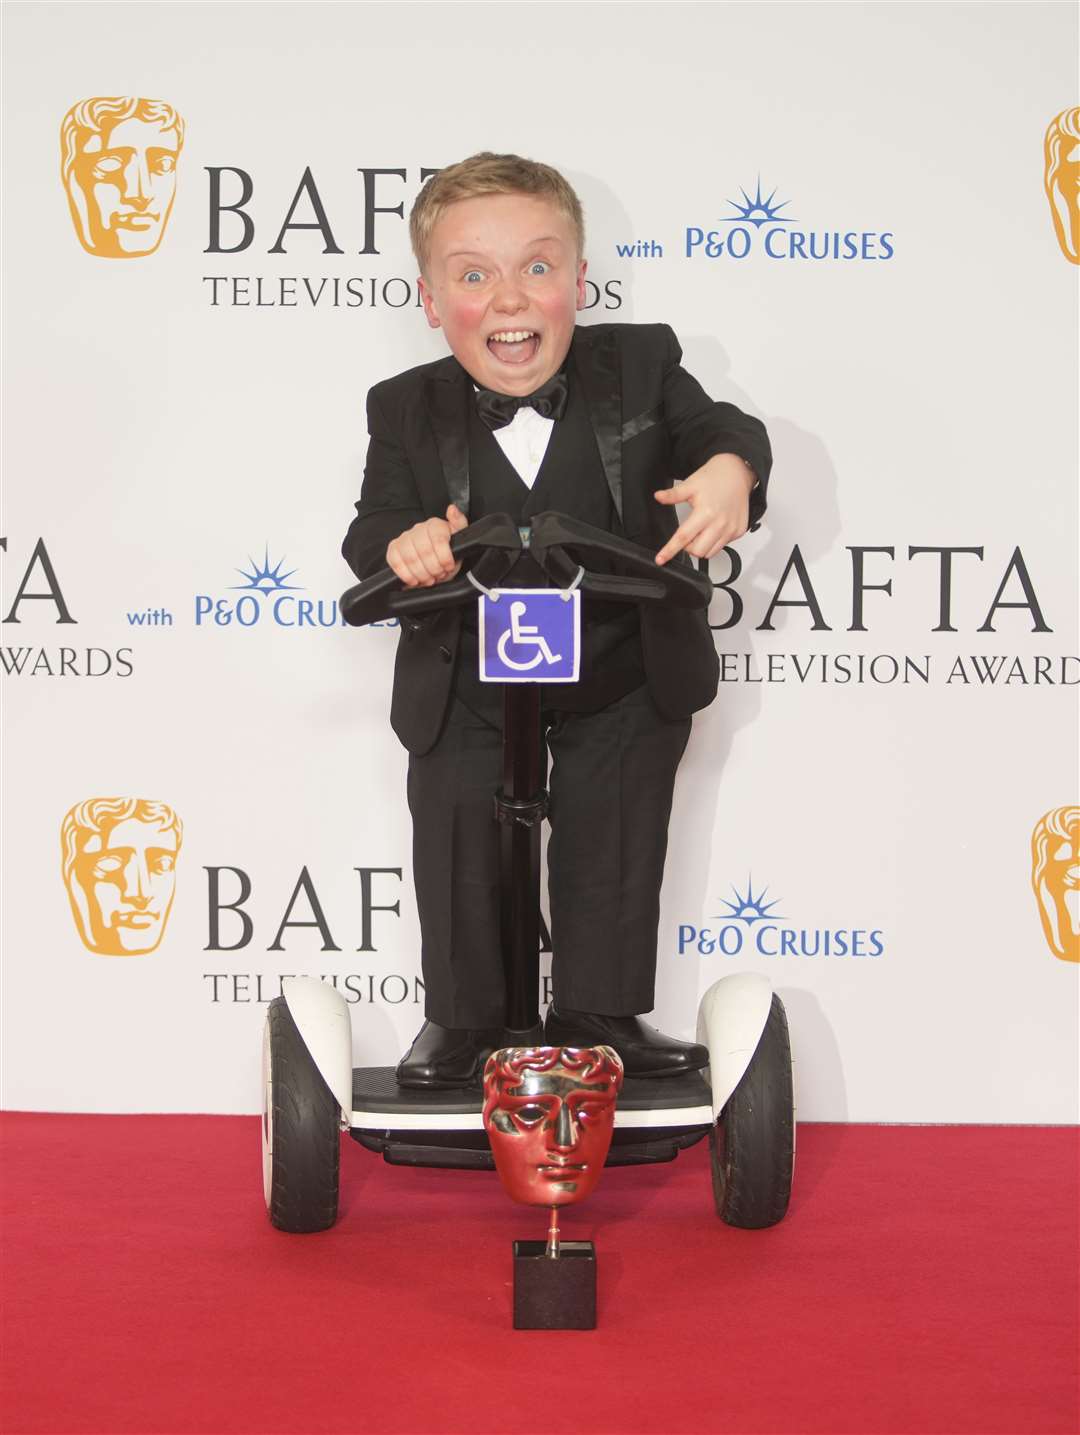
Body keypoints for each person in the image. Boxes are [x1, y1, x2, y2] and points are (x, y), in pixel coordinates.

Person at [342, 152, 771, 1087]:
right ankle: (465, 1021)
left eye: (537, 267)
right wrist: (404, 544)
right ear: (428, 298)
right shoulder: (403, 406)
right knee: (457, 821)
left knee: (616, 825)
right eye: (473, 274)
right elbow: (370, 529)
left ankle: (600, 1012)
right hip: (467, 673)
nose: (509, 298)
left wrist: (731, 471)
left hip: (619, 662)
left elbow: (723, 434)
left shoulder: (644, 363)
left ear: (579, 281)